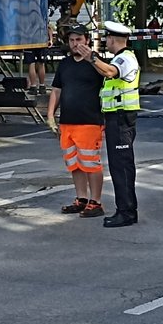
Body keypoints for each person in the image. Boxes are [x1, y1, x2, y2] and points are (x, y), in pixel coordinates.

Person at [75, 21, 140, 227]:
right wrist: (93, 59)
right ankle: (126, 209)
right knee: (118, 165)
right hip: (116, 119)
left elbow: (110, 72)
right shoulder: (120, 58)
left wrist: (92, 57)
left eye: (107, 39)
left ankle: (127, 212)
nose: (106, 42)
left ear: (112, 39)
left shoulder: (126, 59)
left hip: (122, 119)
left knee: (122, 167)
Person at [46, 24, 106, 218]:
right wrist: (50, 115)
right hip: (67, 122)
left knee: (91, 164)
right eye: (72, 40)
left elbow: (109, 75)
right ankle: (81, 199)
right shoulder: (64, 64)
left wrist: (93, 58)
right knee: (75, 164)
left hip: (89, 121)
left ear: (87, 40)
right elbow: (57, 90)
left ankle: (95, 202)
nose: (75, 44)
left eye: (79, 40)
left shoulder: (96, 63)